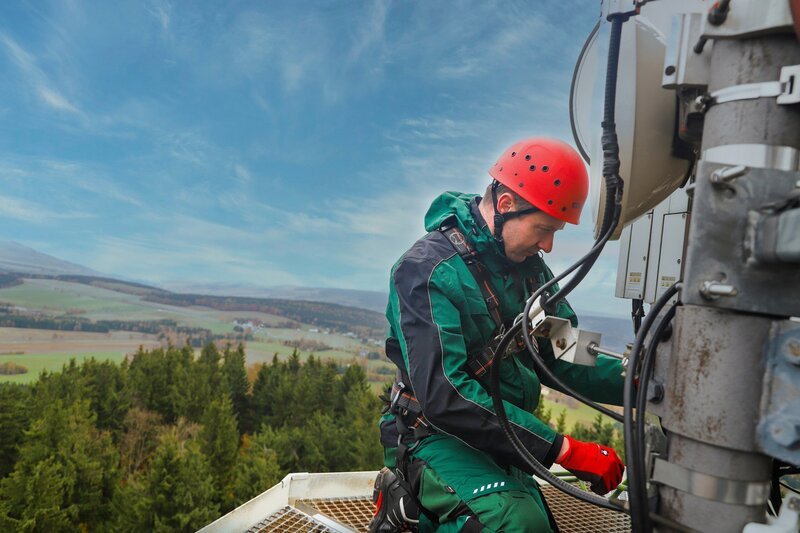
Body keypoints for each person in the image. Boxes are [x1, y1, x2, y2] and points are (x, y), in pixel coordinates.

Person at [370, 138, 626, 532]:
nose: (549, 246)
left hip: (499, 438)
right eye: (543, 229)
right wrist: (563, 449)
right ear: (505, 205)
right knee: (516, 524)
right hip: (433, 436)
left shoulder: (530, 272)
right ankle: (409, 509)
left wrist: (635, 378)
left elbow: (564, 350)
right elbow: (444, 394)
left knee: (537, 525)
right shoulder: (426, 271)